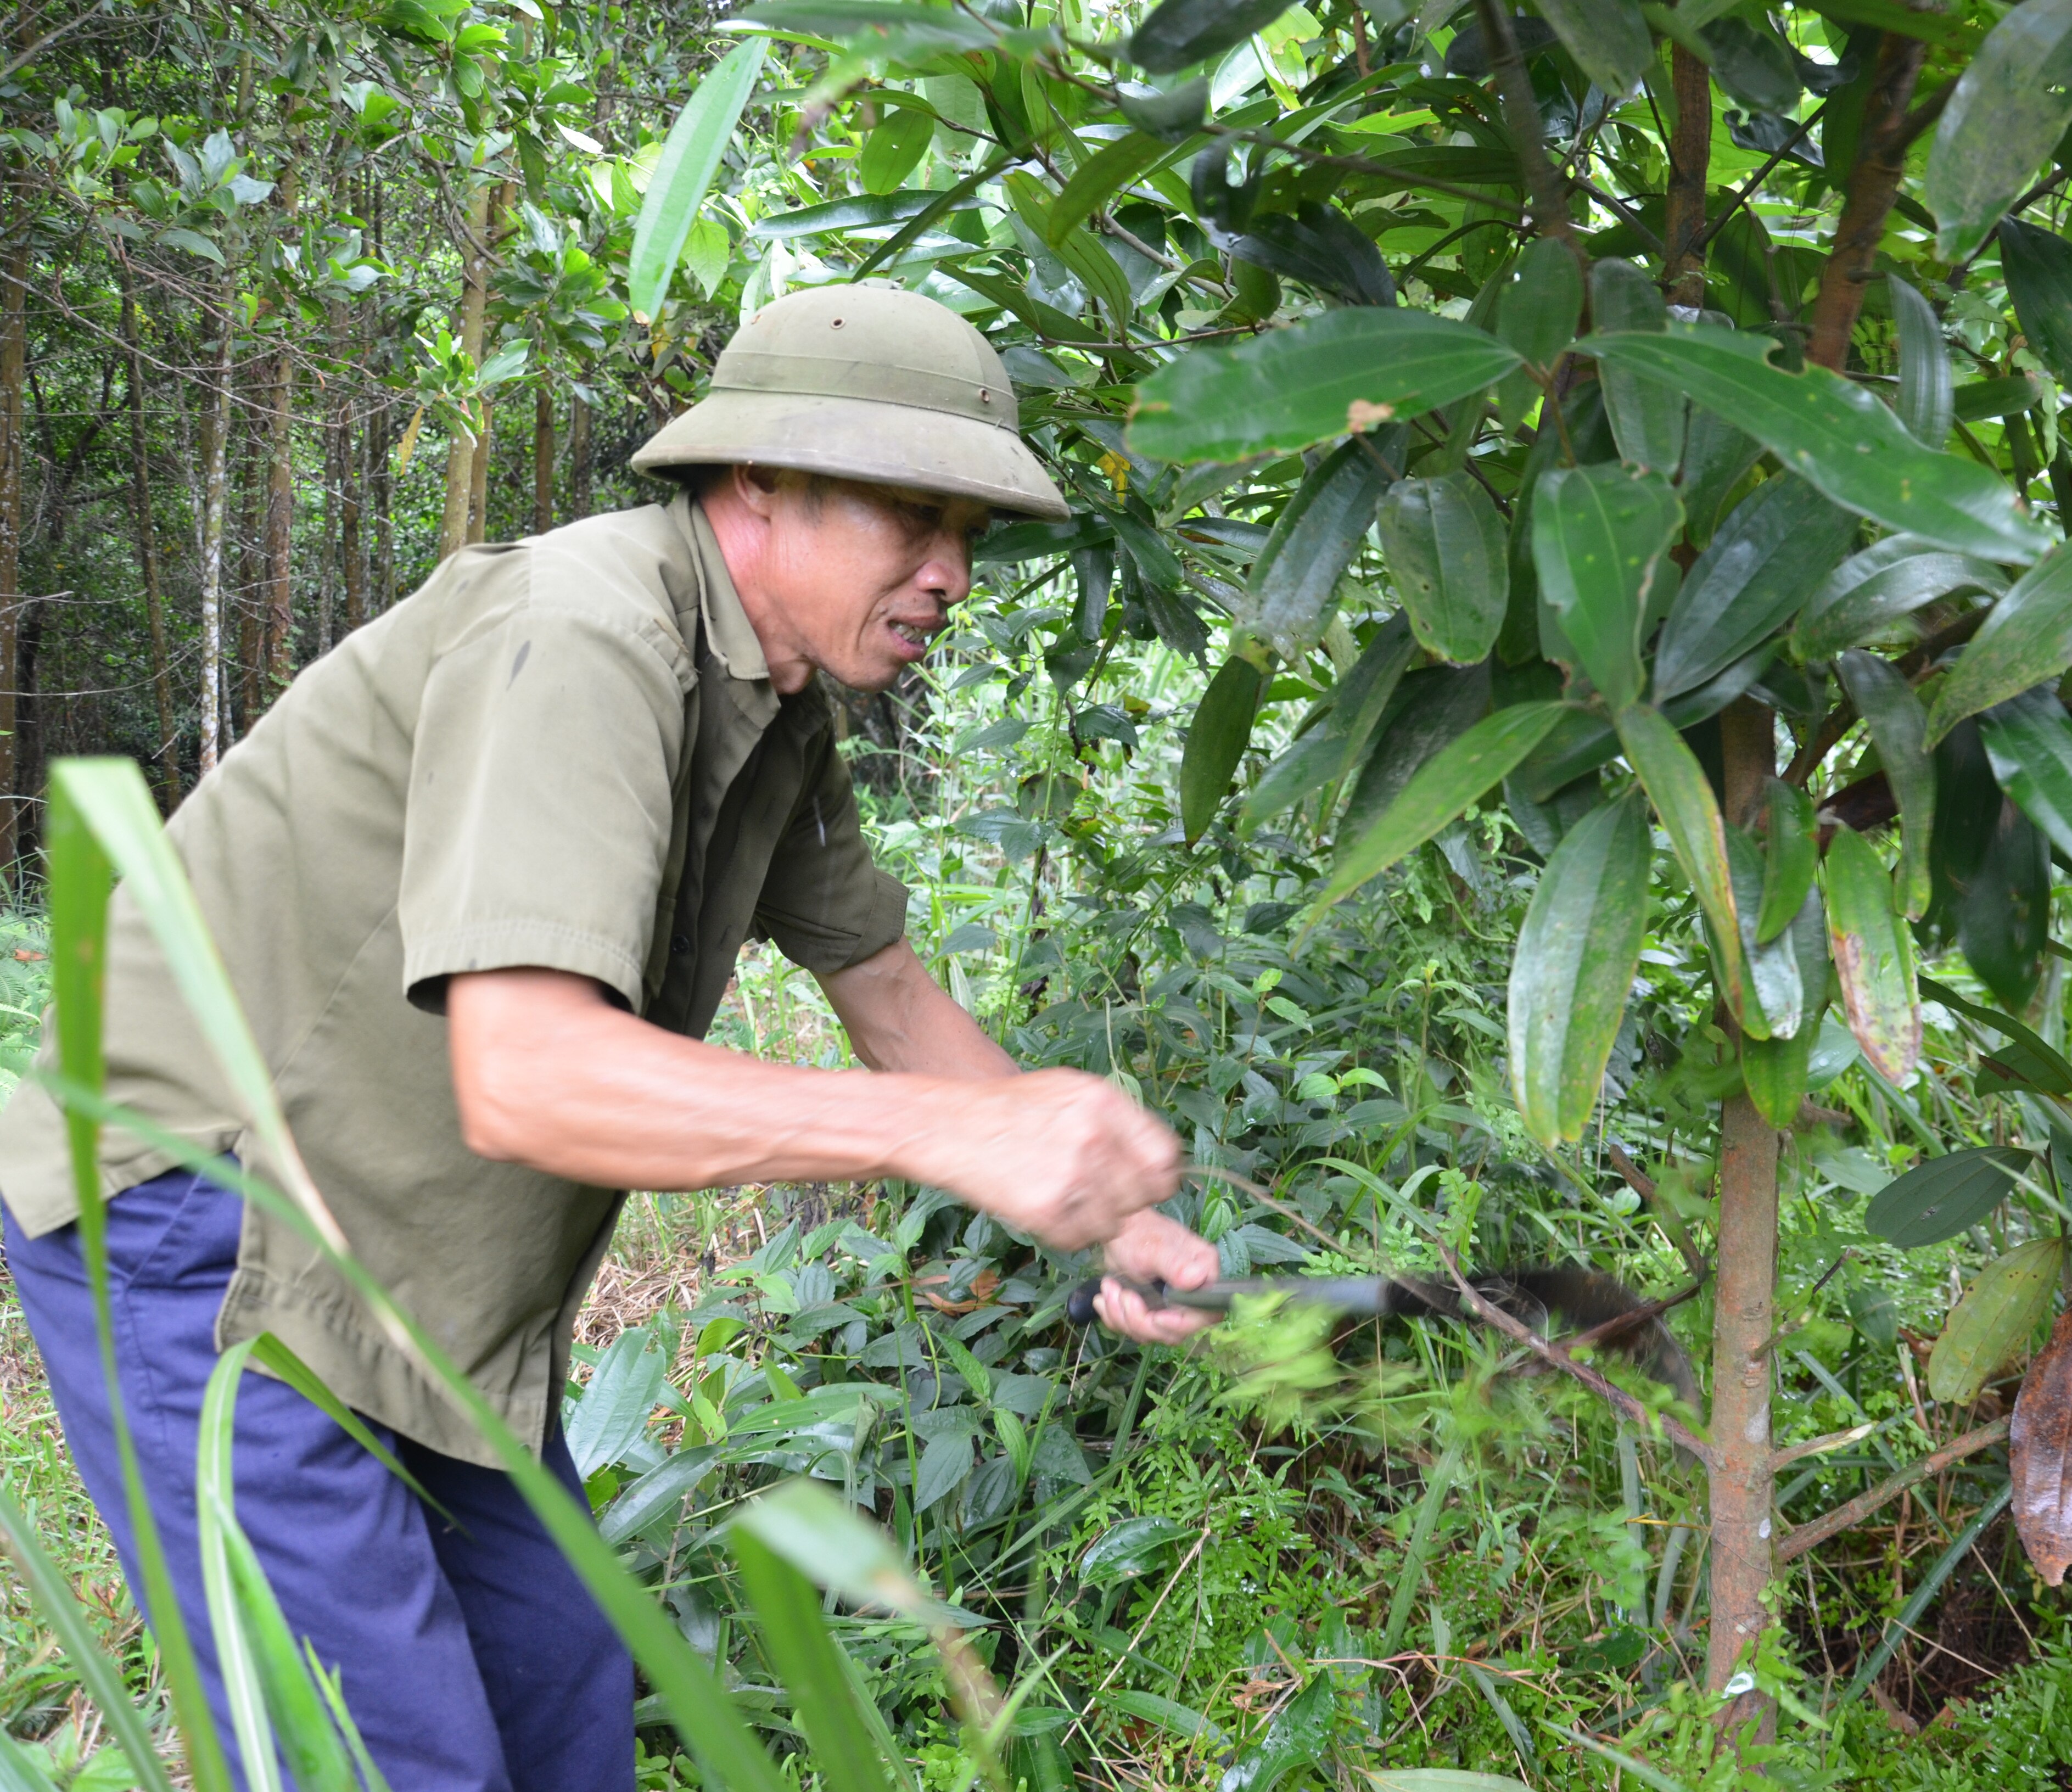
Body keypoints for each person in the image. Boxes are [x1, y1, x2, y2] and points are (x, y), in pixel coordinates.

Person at [0, 284, 1216, 1791]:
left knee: (562, 1687)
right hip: (204, 1219)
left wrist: (1123, 1220)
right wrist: (964, 1136)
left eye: (973, 532)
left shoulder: (778, 710)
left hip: (409, 1259)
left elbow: (890, 998)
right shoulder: (584, 632)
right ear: (757, 480)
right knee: (395, 1759)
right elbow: (530, 1077)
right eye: (914, 514)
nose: (952, 573)